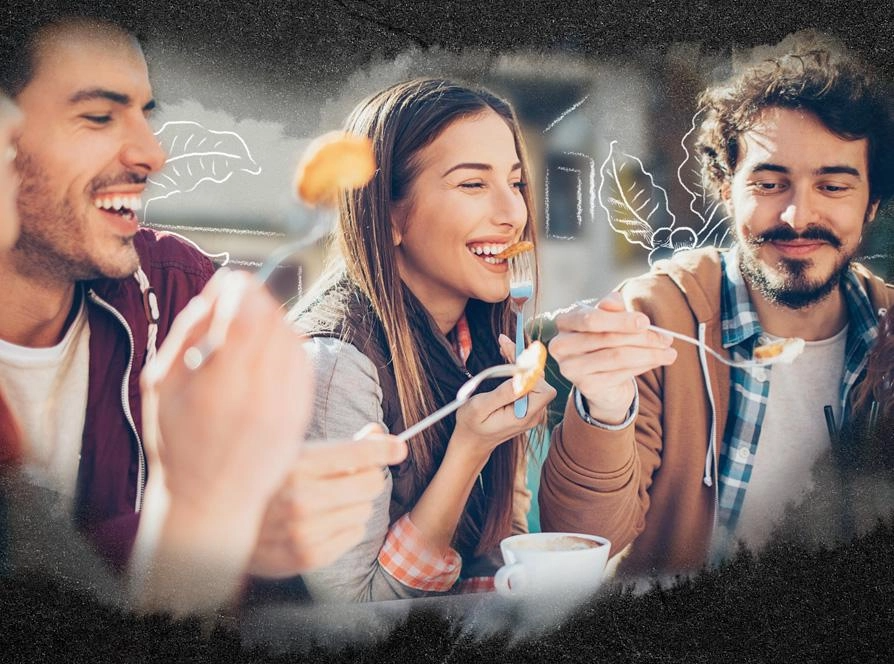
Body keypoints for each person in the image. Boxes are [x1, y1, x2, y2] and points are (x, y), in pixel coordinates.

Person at [0, 14, 406, 602]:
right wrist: (203, 522)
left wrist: (283, 514)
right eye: (98, 116)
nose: (152, 154)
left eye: (145, 113)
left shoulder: (181, 292)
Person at [539, 36, 894, 576]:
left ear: (871, 205)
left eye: (834, 186)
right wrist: (606, 404)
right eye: (770, 183)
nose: (798, 216)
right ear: (727, 189)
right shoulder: (656, 316)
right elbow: (585, 538)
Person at [291, 78, 556, 601]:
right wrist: (469, 450)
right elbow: (354, 612)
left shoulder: (483, 337)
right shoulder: (334, 363)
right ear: (389, 215)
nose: (513, 213)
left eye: (516, 182)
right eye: (473, 185)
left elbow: (498, 550)